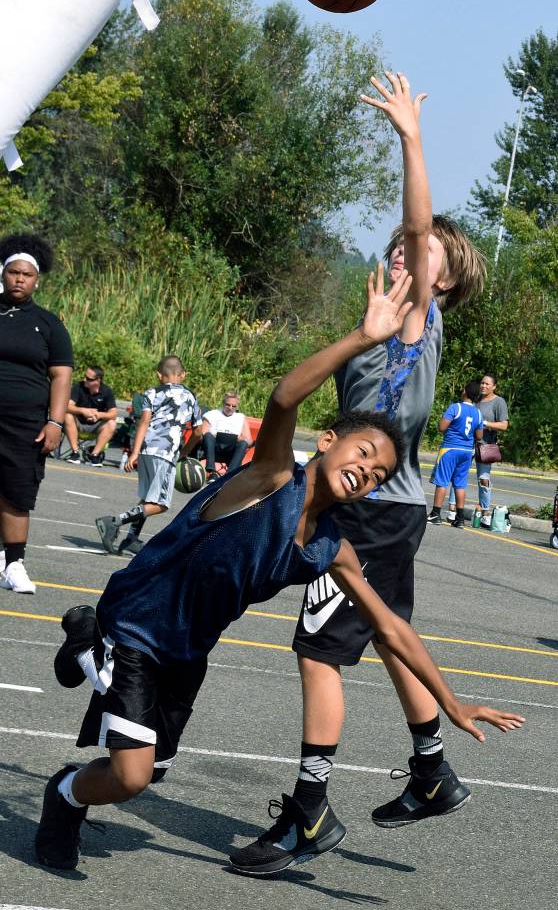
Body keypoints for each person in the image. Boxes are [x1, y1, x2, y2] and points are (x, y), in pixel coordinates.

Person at [34, 267, 523, 874]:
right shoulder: (268, 479)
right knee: (131, 777)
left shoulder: (332, 547)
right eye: (362, 454)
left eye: (377, 475)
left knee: (149, 769)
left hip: (186, 650)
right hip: (136, 624)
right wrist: (364, 339)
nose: (366, 472)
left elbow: (391, 630)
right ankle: (64, 788)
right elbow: (285, 396)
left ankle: (86, 656)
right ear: (328, 440)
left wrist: (451, 704)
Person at [236, 71, 488, 873]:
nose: (406, 249)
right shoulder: (381, 327)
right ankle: (431, 772)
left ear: (439, 277)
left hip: (376, 513)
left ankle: (308, 815)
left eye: (422, 252)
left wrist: (409, 138)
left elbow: (420, 227)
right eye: (403, 246)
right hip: (390, 507)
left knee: (318, 652)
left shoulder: (421, 316)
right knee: (385, 636)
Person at [0, 232, 73, 595]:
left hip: (25, 423)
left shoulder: (48, 324)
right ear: (3, 274)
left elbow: (61, 375)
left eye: (26, 275)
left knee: (16, 493)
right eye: (13, 272)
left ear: (36, 280)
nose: (19, 279)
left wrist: (56, 421)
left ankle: (14, 564)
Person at [95, 356, 202, 556]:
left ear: (159, 375)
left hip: (145, 450)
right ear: (183, 374)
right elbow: (198, 431)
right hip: (165, 452)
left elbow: (143, 422)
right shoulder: (190, 396)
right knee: (161, 504)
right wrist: (185, 453)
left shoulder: (152, 392)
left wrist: (134, 453)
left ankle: (131, 539)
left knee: (147, 499)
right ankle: (113, 522)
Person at [447, 374, 509, 525]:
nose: (483, 386)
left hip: (485, 445)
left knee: (484, 479)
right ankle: (453, 509)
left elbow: (504, 425)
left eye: (487, 384)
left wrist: (485, 423)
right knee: (458, 476)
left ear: (494, 387)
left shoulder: (499, 402)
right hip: (467, 444)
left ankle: (486, 511)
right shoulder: (475, 399)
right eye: (482, 383)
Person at [427, 380, 484, 529]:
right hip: (466, 451)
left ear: (465, 391)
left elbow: (442, 427)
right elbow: (479, 435)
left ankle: (435, 513)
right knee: (460, 484)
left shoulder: (455, 407)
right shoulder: (478, 413)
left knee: (442, 481)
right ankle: (459, 518)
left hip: (450, 448)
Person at [64, 365, 117, 465]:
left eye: (89, 379)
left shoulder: (107, 391)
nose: (85, 379)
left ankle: (94, 455)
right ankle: (75, 453)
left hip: (96, 427)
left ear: (98, 380)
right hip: (78, 424)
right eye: (85, 376)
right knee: (67, 415)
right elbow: (67, 406)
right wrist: (83, 411)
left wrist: (99, 415)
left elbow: (113, 413)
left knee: (112, 424)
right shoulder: (78, 387)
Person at [201, 390, 254, 482]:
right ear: (223, 403)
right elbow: (202, 434)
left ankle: (229, 475)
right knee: (208, 435)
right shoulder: (212, 414)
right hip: (214, 447)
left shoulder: (240, 417)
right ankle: (211, 471)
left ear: (237, 407)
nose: (230, 408)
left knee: (243, 443)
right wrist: (215, 434)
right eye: (228, 405)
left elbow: (249, 441)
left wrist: (241, 438)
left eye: (234, 406)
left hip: (230, 449)